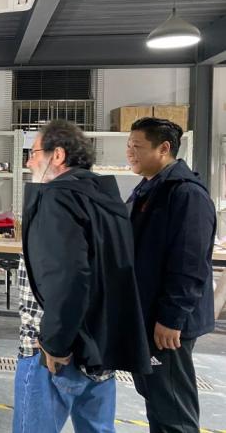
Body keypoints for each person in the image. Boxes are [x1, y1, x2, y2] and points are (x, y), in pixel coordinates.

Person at [14, 119, 151, 433]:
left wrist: (55, 344)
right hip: (99, 349)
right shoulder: (106, 198)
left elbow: (68, 278)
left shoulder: (56, 198)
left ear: (58, 155)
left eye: (34, 153)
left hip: (55, 353)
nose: (29, 162)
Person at [126, 117, 216, 432]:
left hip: (167, 323)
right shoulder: (149, 188)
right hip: (150, 315)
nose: (130, 153)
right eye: (129, 145)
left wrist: (172, 317)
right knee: (158, 399)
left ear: (164, 148)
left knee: (173, 409)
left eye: (137, 146)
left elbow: (190, 263)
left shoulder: (185, 194)